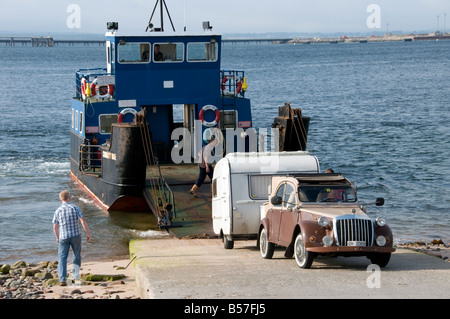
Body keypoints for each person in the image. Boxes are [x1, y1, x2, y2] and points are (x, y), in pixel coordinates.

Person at [52, 190, 91, 286]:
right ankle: (76, 277)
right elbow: (82, 220)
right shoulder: (75, 208)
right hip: (75, 236)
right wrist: (88, 233)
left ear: (60, 199)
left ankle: (62, 279)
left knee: (62, 257)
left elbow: (55, 227)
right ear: (69, 198)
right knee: (76, 256)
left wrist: (57, 237)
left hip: (63, 237)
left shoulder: (58, 210)